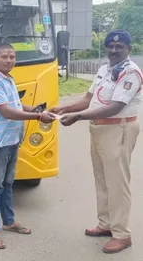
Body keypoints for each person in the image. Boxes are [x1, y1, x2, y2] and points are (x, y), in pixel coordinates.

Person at [51, 29, 141, 254]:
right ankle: (105, 224)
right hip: (99, 129)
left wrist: (78, 117)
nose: (113, 50)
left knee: (117, 183)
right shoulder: (104, 69)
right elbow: (89, 99)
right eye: (110, 46)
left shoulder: (130, 72)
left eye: (119, 47)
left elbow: (115, 106)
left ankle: (122, 234)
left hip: (118, 129)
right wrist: (63, 108)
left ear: (128, 49)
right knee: (102, 180)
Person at [0, 43, 55, 249]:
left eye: (12, 57)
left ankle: (9, 222)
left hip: (12, 140)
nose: (9, 60)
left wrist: (37, 109)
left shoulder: (8, 79)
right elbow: (7, 112)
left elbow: (16, 106)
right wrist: (39, 116)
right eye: (4, 57)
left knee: (7, 185)